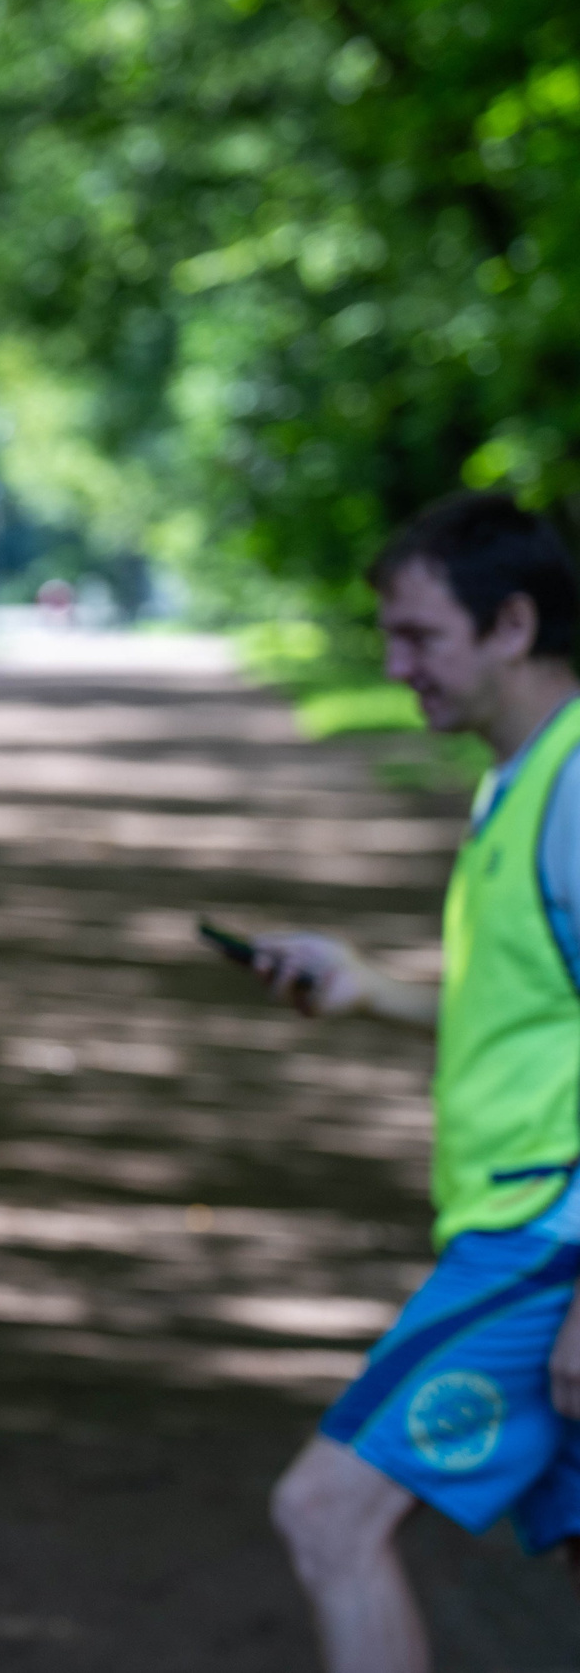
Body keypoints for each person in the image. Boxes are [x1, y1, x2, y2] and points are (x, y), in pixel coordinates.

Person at [254, 493, 580, 1673]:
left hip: (544, 1240)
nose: (396, 667)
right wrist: (368, 989)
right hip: (524, 1227)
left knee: (326, 1513)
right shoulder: (519, 780)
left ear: (511, 625)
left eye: (418, 637)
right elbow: (531, 1009)